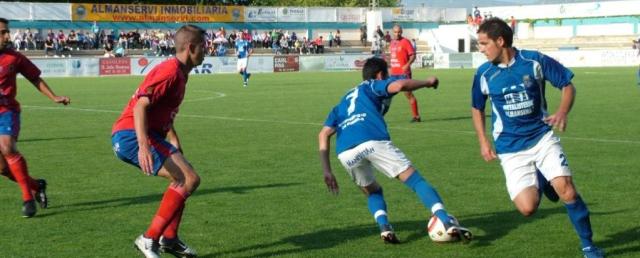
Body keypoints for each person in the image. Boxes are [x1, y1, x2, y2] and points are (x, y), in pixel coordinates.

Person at [471, 18, 604, 258]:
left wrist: (562, 111)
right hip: (510, 148)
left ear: (500, 41)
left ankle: (589, 246)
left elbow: (567, 84)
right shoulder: (484, 73)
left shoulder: (534, 61)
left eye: (483, 43)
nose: (480, 49)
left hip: (542, 138)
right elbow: (477, 107)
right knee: (527, 208)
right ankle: (543, 179)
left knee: (567, 191)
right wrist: (483, 141)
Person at [318, 57, 472, 244]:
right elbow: (399, 85)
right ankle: (446, 221)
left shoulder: (344, 100)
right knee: (415, 181)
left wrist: (327, 170)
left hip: (346, 153)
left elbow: (324, 134)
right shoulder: (374, 85)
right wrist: (427, 82)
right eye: (387, 74)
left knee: (373, 191)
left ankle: (384, 228)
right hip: (372, 141)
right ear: (381, 75)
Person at [111, 24, 206, 258]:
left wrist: (174, 139)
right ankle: (149, 238)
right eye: (203, 47)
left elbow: (162, 111)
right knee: (188, 178)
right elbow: (141, 105)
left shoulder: (180, 74)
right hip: (131, 135)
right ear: (191, 47)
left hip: (143, 134)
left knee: (185, 178)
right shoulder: (171, 71)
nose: (207, 51)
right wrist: (143, 145)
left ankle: (170, 239)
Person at [0, 18, 70, 217]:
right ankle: (37, 185)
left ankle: (28, 199)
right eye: (3, 32)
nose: (7, 36)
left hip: (7, 112)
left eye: (7, 32)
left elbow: (34, 78)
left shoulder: (14, 57)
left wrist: (54, 97)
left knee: (6, 146)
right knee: (3, 169)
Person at [389, 24, 421, 122]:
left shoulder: (405, 42)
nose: (397, 34)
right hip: (394, 74)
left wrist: (407, 65)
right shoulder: (392, 43)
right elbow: (393, 57)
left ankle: (416, 116)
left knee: (408, 94)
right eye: (395, 32)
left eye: (399, 32)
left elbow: (413, 56)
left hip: (404, 73)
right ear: (392, 32)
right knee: (385, 94)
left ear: (401, 32)